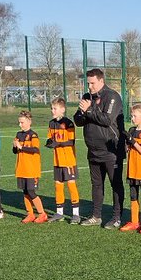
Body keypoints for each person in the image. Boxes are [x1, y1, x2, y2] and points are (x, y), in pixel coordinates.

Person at [73, 68, 125, 228]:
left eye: (92, 83)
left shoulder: (112, 96)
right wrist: (82, 112)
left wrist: (88, 110)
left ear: (101, 81)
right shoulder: (87, 97)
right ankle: (96, 216)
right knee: (96, 184)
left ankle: (116, 217)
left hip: (111, 150)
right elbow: (78, 120)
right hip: (93, 150)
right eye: (88, 83)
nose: (89, 87)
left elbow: (107, 120)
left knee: (115, 184)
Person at [45, 95, 81, 223]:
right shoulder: (51, 123)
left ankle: (76, 214)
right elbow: (50, 139)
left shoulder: (68, 123)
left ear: (62, 109)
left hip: (68, 160)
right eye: (51, 108)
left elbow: (71, 141)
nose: (52, 111)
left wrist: (57, 144)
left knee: (71, 186)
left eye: (55, 108)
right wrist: (49, 143)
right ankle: (59, 213)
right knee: (58, 186)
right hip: (57, 160)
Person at [120, 102, 141, 233]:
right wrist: (125, 143)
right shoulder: (132, 131)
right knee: (133, 196)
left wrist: (132, 141)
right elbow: (128, 149)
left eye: (135, 116)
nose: (132, 118)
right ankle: (134, 221)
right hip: (132, 169)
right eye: (132, 116)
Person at [12, 110, 47, 223]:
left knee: (31, 192)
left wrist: (21, 147)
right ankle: (30, 214)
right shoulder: (18, 134)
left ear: (29, 122)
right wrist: (15, 147)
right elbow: (15, 151)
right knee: (25, 191)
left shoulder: (33, 135)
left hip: (31, 169)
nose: (20, 125)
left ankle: (42, 214)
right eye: (19, 122)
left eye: (22, 122)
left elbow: (35, 149)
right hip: (21, 168)